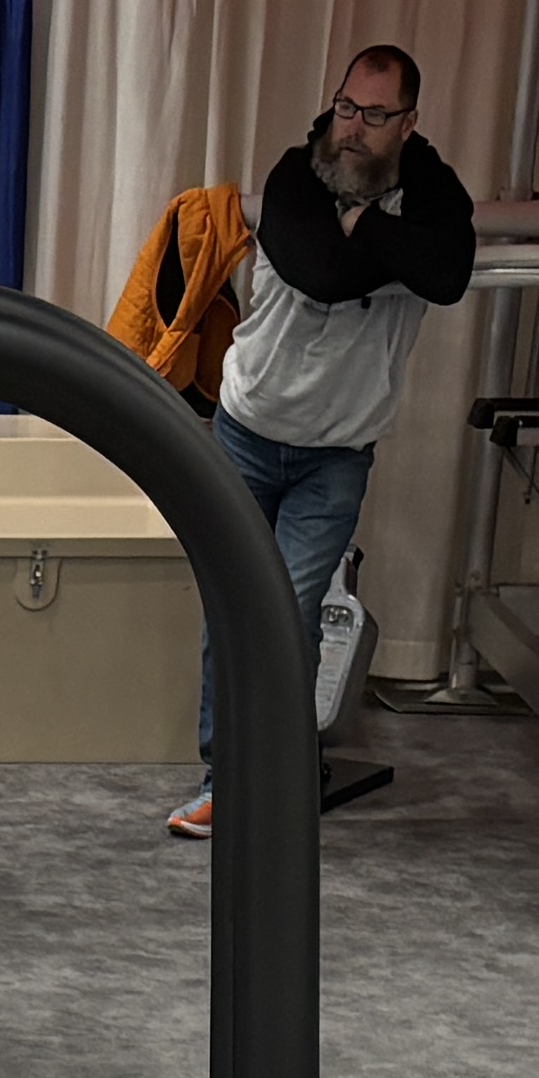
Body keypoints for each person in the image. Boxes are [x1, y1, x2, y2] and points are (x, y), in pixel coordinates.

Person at [175, 47, 471, 839]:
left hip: (335, 455)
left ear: (407, 123)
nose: (353, 128)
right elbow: (319, 273)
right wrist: (385, 248)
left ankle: (270, 774)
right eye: (346, 107)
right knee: (232, 604)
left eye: (375, 115)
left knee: (288, 609)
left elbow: (448, 274)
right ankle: (226, 774)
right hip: (247, 431)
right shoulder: (295, 176)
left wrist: (362, 226)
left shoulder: (433, 194)